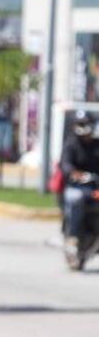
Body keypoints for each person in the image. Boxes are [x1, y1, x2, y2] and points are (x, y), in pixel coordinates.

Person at [60, 111, 99, 263]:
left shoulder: (96, 145)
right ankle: (73, 237)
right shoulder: (71, 144)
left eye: (85, 124)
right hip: (77, 188)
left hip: (95, 189)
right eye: (80, 124)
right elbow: (65, 164)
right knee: (76, 199)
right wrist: (74, 174)